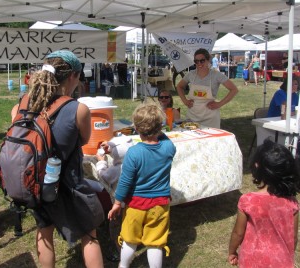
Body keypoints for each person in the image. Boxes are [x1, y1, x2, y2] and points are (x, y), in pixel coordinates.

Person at [25, 50, 103, 268]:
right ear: (73, 77)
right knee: (90, 235)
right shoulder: (78, 109)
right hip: (69, 184)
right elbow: (84, 139)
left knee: (44, 234)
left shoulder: (24, 105)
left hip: (36, 183)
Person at [108, 104, 176, 268]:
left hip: (136, 205)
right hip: (160, 204)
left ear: (137, 128)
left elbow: (125, 181)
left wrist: (117, 203)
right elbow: (165, 138)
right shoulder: (169, 148)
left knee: (130, 240)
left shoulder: (134, 152)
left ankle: (123, 265)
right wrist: (160, 129)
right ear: (160, 127)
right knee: (155, 242)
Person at [227, 139, 300, 267]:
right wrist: (287, 257)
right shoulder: (292, 202)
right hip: (281, 261)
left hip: (251, 260)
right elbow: (293, 236)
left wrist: (232, 251)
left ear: (256, 166)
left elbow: (238, 233)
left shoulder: (248, 200)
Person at [176, 48, 238, 129]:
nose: (199, 63)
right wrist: (185, 101)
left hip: (210, 117)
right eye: (196, 61)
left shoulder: (216, 75)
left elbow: (234, 90)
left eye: (202, 60)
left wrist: (219, 104)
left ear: (208, 60)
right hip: (193, 115)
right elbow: (179, 86)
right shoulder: (191, 74)